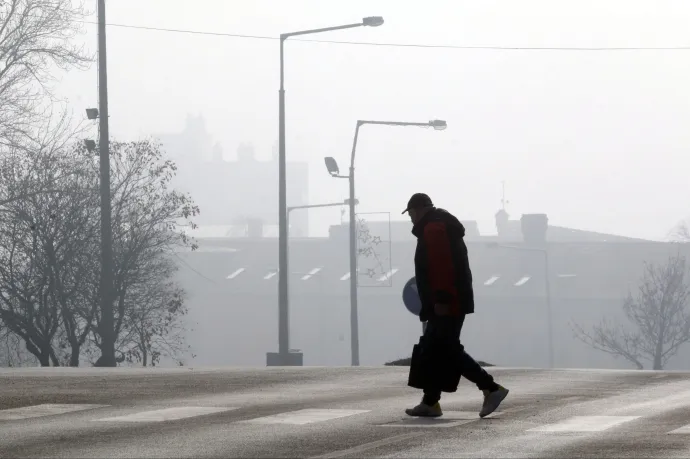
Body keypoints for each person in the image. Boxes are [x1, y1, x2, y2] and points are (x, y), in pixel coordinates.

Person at [402, 192, 509, 418]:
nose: (410, 218)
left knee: (447, 349)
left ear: (419, 210)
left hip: (447, 301)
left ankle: (490, 388)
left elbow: (441, 266)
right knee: (434, 349)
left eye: (410, 213)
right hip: (450, 299)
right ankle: (430, 402)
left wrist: (441, 299)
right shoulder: (439, 226)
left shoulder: (433, 229)